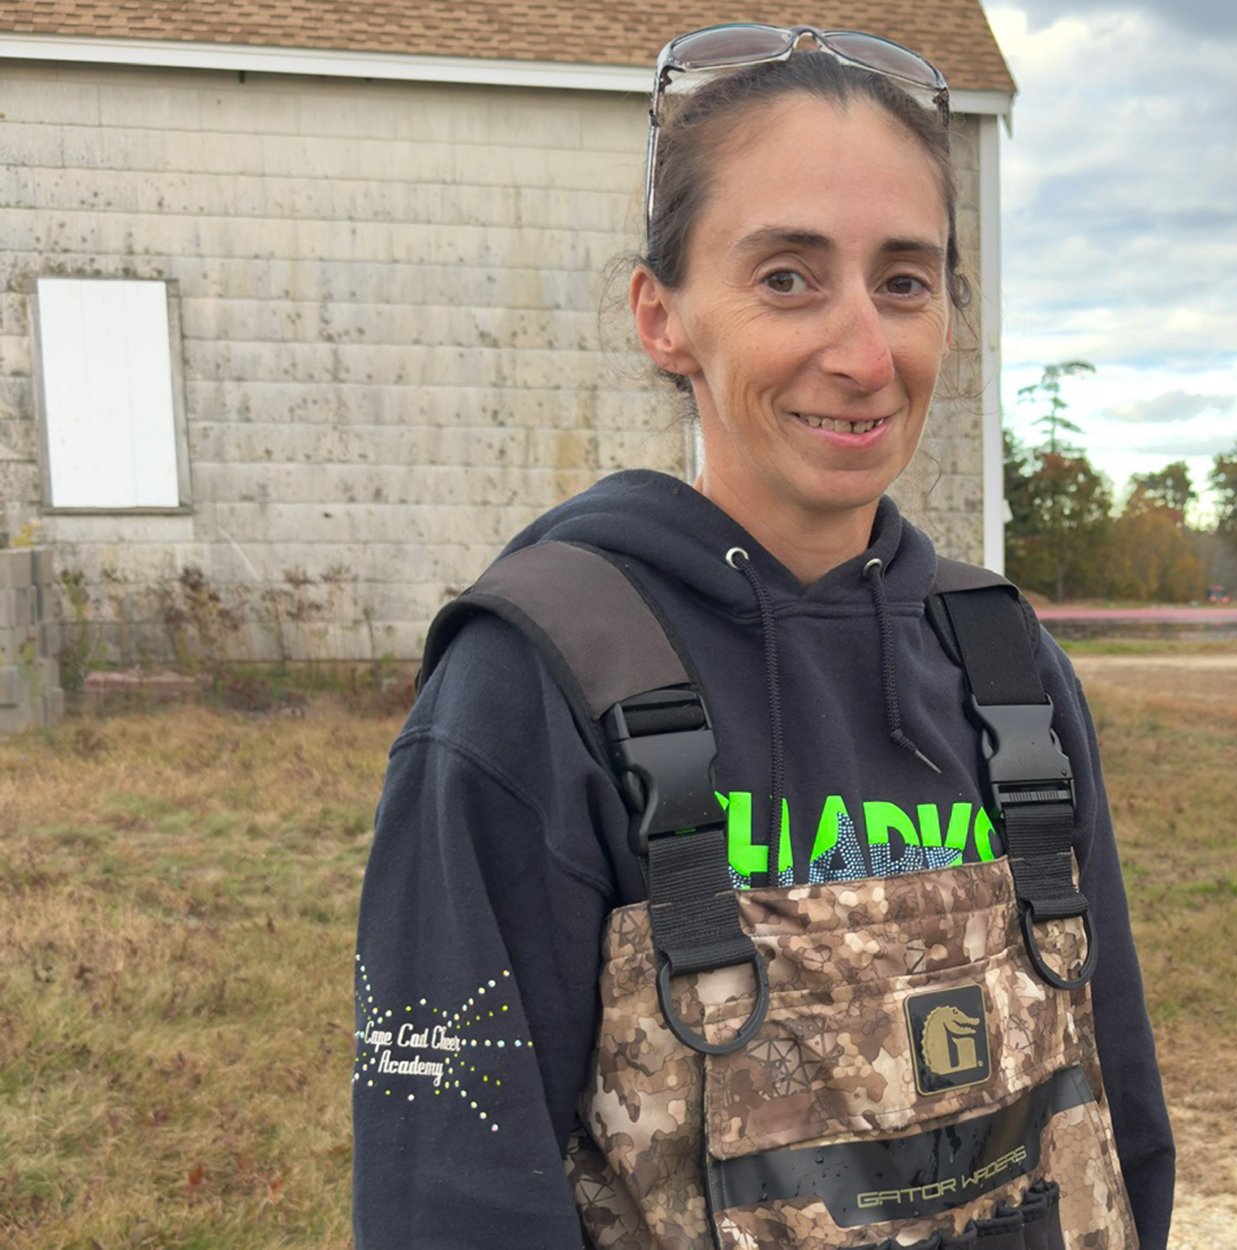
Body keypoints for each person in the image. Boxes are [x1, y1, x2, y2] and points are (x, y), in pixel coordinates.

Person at [352, 25, 1173, 1249]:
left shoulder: (1006, 671)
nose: (861, 351)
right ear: (663, 317)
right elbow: (450, 1203)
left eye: (903, 280)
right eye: (788, 277)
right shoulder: (529, 689)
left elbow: (1121, 1116)